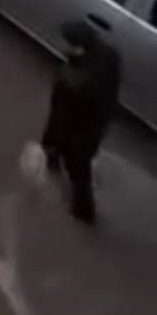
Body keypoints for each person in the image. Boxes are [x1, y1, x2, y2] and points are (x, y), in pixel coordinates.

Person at [42, 19, 121, 223]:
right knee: (60, 146)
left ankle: (83, 209)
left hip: (80, 127)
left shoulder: (83, 74)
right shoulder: (108, 55)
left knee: (78, 166)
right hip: (80, 122)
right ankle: (53, 156)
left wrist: (69, 72)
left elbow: (84, 93)